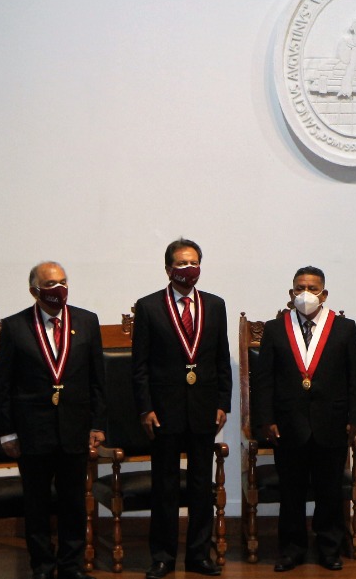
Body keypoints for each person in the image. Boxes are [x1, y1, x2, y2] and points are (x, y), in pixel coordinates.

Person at [251, 267, 356, 572]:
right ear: (291, 294)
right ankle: (291, 549)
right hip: (288, 425)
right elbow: (263, 380)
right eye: (300, 288)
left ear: (324, 294)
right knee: (292, 492)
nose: (306, 294)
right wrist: (266, 419)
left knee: (329, 490)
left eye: (313, 288)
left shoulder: (344, 328)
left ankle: (329, 548)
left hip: (332, 422)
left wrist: (355, 418)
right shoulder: (276, 329)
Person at [0, 261, 105, 579]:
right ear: (34, 290)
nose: (58, 289)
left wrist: (97, 424)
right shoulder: (15, 327)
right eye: (50, 284)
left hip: (75, 427)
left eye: (63, 282)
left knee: (73, 501)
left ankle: (71, 565)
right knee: (37, 503)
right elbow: (3, 385)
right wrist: (7, 432)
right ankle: (42, 565)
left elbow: (97, 379)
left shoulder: (86, 322)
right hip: (32, 431)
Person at [131, 239, 231, 579]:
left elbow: (221, 360)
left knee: (202, 487)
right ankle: (162, 557)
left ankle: (199, 556)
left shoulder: (215, 306)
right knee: (166, 487)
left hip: (204, 410)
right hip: (164, 411)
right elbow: (140, 365)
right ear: (168, 268)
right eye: (181, 263)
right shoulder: (148, 307)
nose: (188, 268)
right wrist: (145, 408)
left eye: (194, 262)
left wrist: (223, 403)